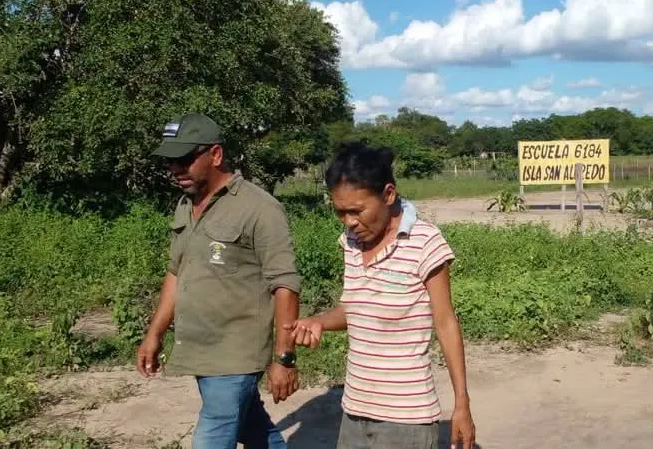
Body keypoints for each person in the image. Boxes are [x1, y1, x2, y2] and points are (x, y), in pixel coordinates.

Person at [285, 142, 476, 449]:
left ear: (388, 195)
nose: (349, 222)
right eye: (340, 212)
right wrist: (318, 320)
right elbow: (355, 307)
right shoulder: (350, 241)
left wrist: (462, 405)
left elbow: (445, 323)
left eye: (357, 211)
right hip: (355, 412)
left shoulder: (424, 241)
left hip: (407, 420)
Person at [137, 113, 303, 449]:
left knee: (213, 434)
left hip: (236, 352)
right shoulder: (186, 205)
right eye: (171, 162)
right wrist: (153, 334)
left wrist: (284, 358)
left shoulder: (259, 208)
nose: (175, 170)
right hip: (200, 348)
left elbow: (285, 285)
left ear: (215, 155)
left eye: (184, 160)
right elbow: (176, 272)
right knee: (254, 430)